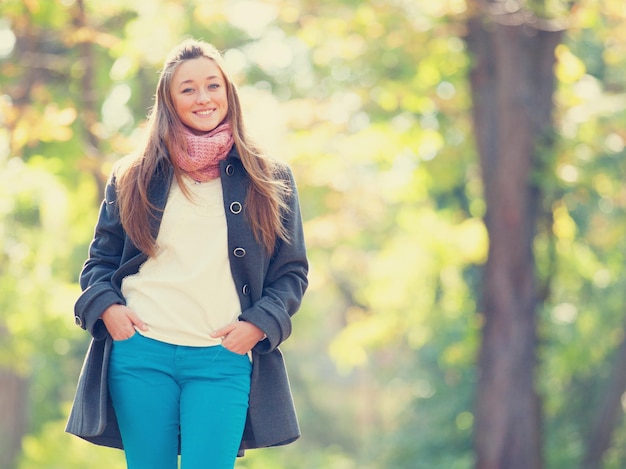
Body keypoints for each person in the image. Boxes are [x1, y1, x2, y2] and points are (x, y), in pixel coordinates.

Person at [65, 38, 308, 469]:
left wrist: (259, 324)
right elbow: (99, 263)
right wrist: (107, 309)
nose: (203, 98)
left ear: (228, 93)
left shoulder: (269, 177)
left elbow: (291, 273)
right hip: (141, 354)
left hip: (222, 358)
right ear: (169, 100)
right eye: (188, 89)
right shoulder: (133, 175)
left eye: (213, 85)